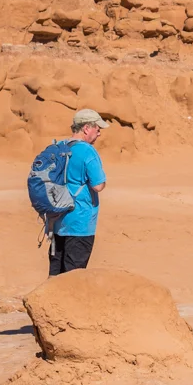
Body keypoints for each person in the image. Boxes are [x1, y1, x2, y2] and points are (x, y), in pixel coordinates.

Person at [49, 109, 109, 276]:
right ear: (86, 128)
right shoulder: (87, 151)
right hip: (80, 222)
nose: (99, 134)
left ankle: (47, 302)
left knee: (55, 272)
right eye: (98, 129)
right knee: (73, 276)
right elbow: (98, 186)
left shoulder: (59, 146)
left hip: (57, 220)